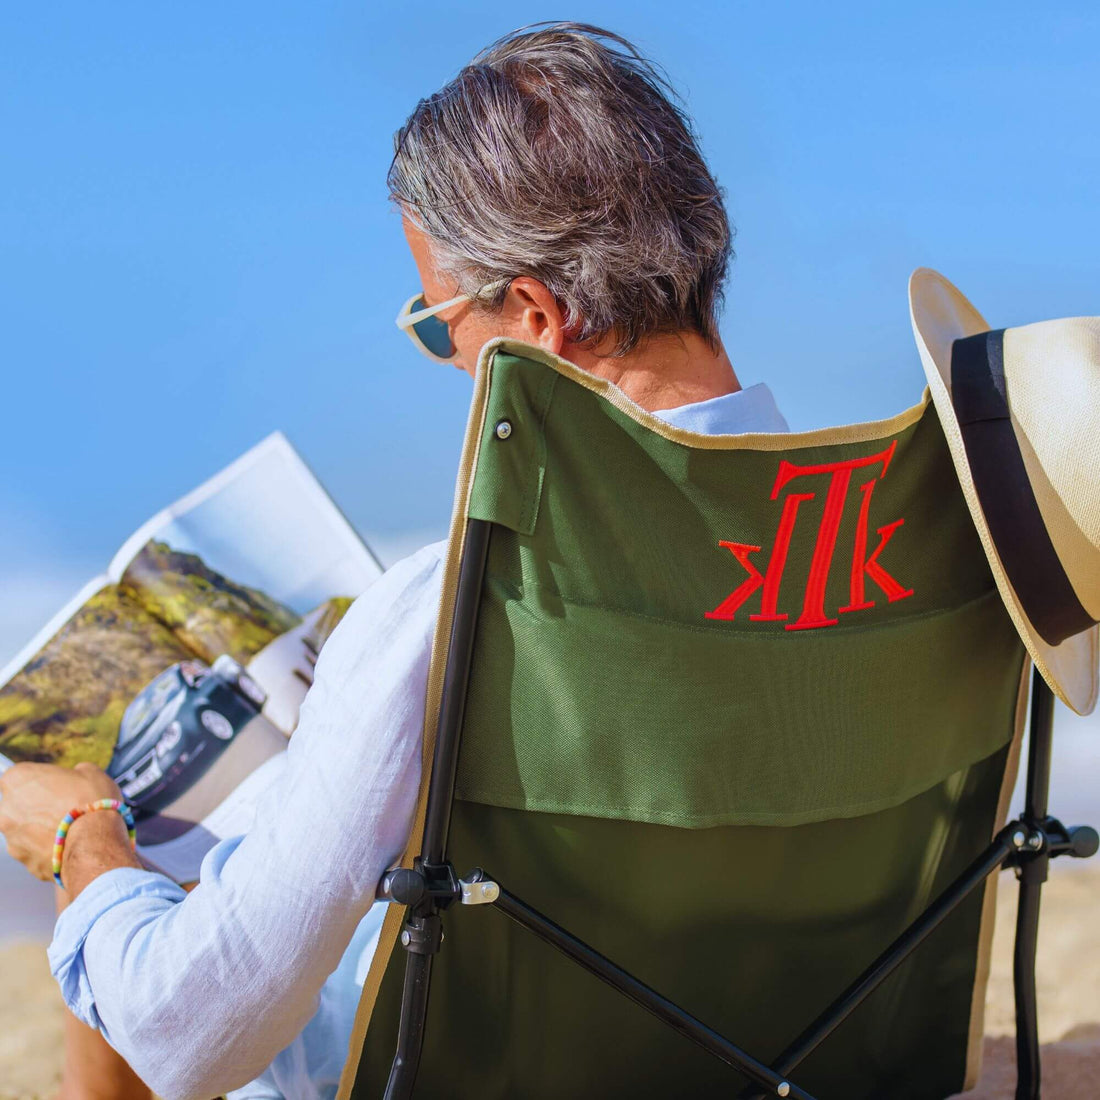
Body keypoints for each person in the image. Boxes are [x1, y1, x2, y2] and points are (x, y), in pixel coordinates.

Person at [0, 23, 789, 1100]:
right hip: (769, 1042)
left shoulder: (464, 603)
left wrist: (85, 838)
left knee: (120, 910)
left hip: (497, 1062)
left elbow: (192, 1034)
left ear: (536, 318)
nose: (449, 364)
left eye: (437, 327)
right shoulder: (891, 536)